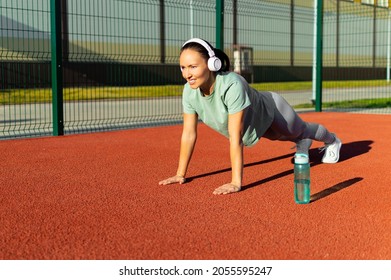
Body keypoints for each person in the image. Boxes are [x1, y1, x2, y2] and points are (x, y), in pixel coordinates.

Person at [159, 38, 342, 195]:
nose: (187, 74)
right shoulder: (189, 92)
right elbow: (189, 134)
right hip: (256, 123)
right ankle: (302, 142)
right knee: (278, 136)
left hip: (272, 108)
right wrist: (180, 174)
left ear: (212, 64)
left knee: (300, 129)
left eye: (193, 67)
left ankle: (332, 140)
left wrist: (235, 182)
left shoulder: (231, 85)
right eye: (183, 67)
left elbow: (235, 137)